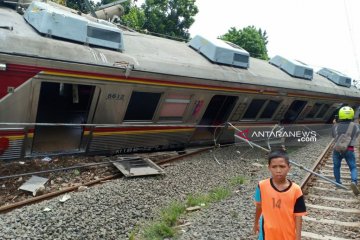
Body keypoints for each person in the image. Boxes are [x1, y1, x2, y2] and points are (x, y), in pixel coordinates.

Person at [253, 150, 307, 240]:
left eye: (282, 166)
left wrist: (298, 237)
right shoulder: (261, 186)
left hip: (287, 235)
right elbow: (259, 206)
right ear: (269, 168)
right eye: (274, 167)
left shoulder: (296, 190)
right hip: (267, 234)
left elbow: (298, 216)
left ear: (289, 167)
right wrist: (256, 223)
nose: (278, 170)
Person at [332, 106, 360, 195]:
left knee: (336, 166)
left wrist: (334, 124)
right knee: (353, 167)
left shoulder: (336, 126)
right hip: (349, 149)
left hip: (337, 149)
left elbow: (333, 136)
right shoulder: (355, 126)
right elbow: (356, 135)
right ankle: (354, 182)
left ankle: (338, 183)